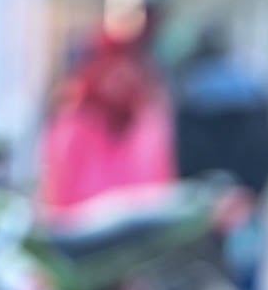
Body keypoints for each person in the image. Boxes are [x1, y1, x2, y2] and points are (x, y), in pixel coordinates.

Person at [173, 22, 268, 290]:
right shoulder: (256, 89)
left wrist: (205, 195)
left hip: (199, 210)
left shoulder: (187, 92)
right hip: (247, 208)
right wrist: (250, 193)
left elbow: (182, 156)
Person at [39, 25, 176, 222]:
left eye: (124, 65)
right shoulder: (73, 124)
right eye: (110, 65)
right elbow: (59, 195)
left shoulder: (147, 122)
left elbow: (160, 186)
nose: (118, 75)